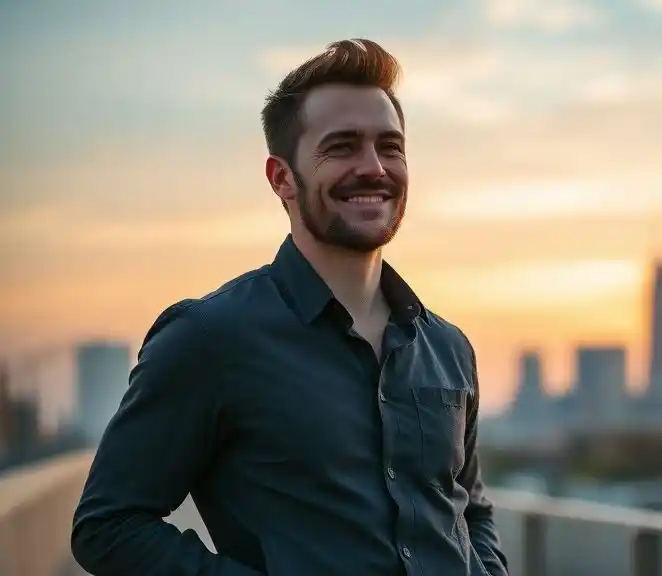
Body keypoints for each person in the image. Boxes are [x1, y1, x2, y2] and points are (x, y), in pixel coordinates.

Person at [71, 38, 508, 576]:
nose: (373, 167)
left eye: (390, 147)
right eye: (342, 147)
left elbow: (470, 509)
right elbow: (108, 525)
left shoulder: (448, 348)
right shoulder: (210, 338)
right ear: (282, 179)